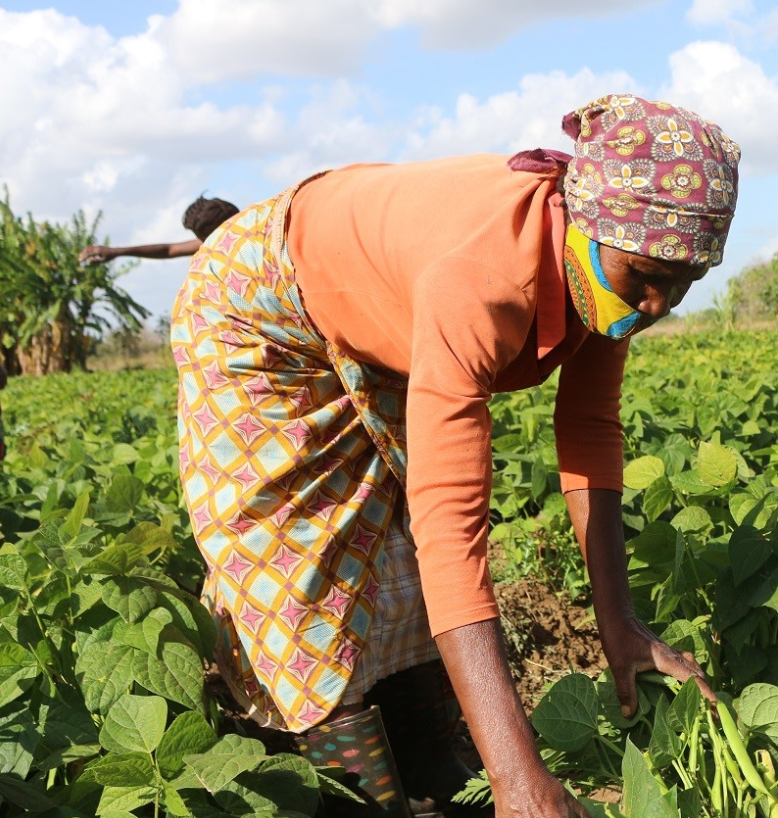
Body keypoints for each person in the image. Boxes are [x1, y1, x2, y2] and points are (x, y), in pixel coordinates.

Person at [170, 94, 739, 818]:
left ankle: (432, 764)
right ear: (585, 222)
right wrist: (517, 776)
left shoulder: (607, 264)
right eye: (647, 276)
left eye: (685, 280)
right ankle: (354, 792)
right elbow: (452, 524)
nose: (660, 303)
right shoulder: (483, 276)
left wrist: (619, 621)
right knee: (298, 560)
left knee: (387, 551)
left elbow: (589, 428)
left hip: (376, 314)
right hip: (257, 312)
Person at [79, 196, 240, 263]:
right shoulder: (229, 236)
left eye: (205, 238)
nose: (204, 243)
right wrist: (116, 252)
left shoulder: (258, 236)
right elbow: (169, 250)